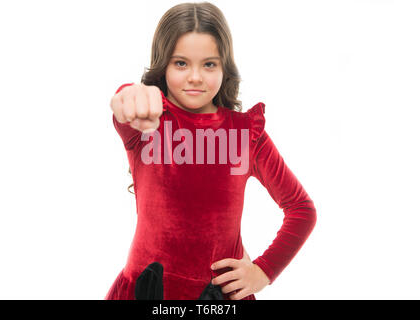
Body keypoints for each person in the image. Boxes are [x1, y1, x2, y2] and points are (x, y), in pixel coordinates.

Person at [106, 2, 317, 300]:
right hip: (146, 292)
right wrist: (131, 96)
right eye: (181, 63)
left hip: (216, 299)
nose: (195, 76)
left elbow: (301, 210)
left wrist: (263, 271)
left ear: (224, 67)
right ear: (163, 65)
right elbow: (125, 104)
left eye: (209, 64)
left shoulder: (246, 135)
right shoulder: (147, 124)